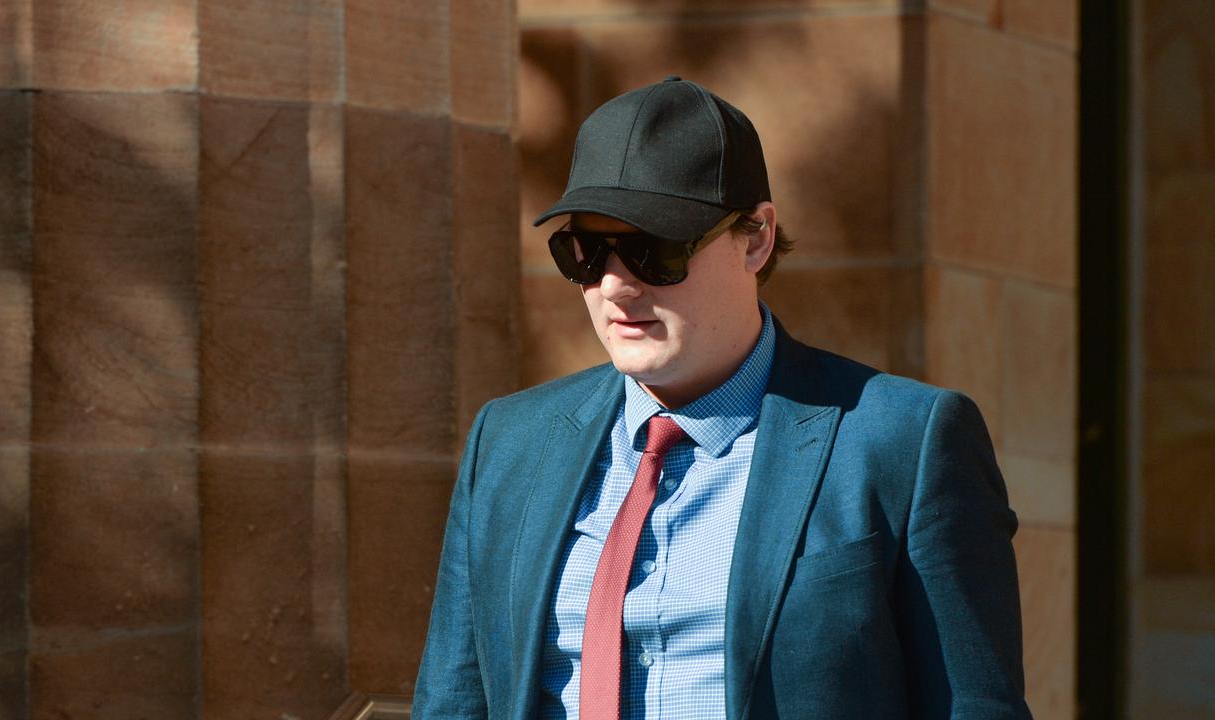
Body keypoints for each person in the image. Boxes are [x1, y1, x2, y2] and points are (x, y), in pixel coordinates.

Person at [412, 76, 1031, 719]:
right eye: (588, 252)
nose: (616, 287)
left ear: (756, 238)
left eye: (655, 250)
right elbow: (454, 701)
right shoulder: (510, 442)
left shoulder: (903, 440)